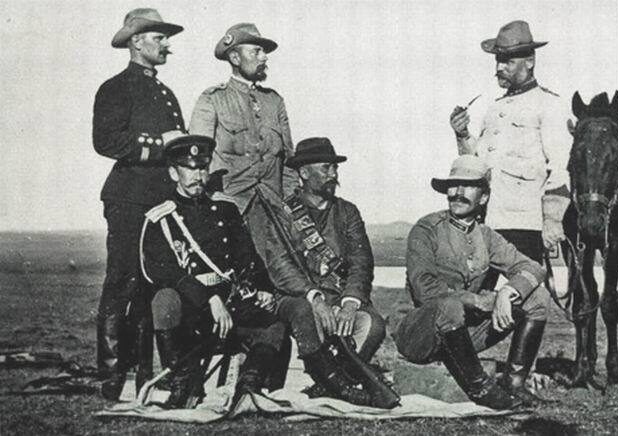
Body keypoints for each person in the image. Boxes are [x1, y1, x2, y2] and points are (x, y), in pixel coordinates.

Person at [141, 133, 395, 409]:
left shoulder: (224, 209)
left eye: (202, 168)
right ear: (173, 173)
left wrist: (260, 287)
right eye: (190, 169)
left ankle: (251, 386)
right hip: (195, 307)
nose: (198, 176)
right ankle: (181, 383)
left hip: (231, 301)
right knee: (164, 299)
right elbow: (161, 271)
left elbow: (247, 257)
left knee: (272, 325)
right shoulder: (161, 218)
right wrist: (208, 298)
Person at [394, 156, 549, 409]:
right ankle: (481, 389)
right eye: (453, 186)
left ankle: (514, 383)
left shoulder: (486, 236)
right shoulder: (427, 229)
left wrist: (508, 292)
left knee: (538, 298)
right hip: (418, 333)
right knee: (449, 305)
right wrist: (478, 300)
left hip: (462, 333)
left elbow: (532, 267)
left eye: (468, 186)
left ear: (484, 198)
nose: (457, 193)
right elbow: (425, 289)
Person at [92, 8, 185, 400]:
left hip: (162, 201)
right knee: (122, 284)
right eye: (158, 37)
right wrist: (159, 145)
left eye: (165, 37)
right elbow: (106, 141)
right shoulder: (115, 88)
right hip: (129, 199)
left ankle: (148, 375)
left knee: (154, 285)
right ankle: (112, 379)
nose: (166, 44)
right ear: (136, 41)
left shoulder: (165, 92)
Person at [449, 20, 570, 290]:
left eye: (507, 61)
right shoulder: (494, 109)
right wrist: (462, 134)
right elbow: (478, 165)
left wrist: (552, 219)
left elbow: (561, 167)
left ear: (529, 61)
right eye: (497, 61)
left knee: (527, 303)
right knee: (473, 300)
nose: (499, 68)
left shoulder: (549, 105)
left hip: (525, 226)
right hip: (485, 223)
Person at [265, 137, 387, 363]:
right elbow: (280, 266)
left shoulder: (347, 212)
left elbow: (361, 261)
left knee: (374, 325)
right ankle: (325, 376)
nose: (333, 174)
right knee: (305, 314)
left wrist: (350, 302)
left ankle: (343, 376)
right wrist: (315, 298)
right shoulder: (284, 214)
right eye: (326, 168)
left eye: (335, 168)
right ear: (303, 173)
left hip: (340, 296)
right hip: (299, 297)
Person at [189, 22, 297, 256]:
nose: (264, 57)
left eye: (264, 51)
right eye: (256, 51)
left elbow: (289, 161)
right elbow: (196, 159)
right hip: (230, 208)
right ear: (235, 58)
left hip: (273, 212)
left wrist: (287, 204)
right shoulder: (212, 100)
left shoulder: (274, 102)